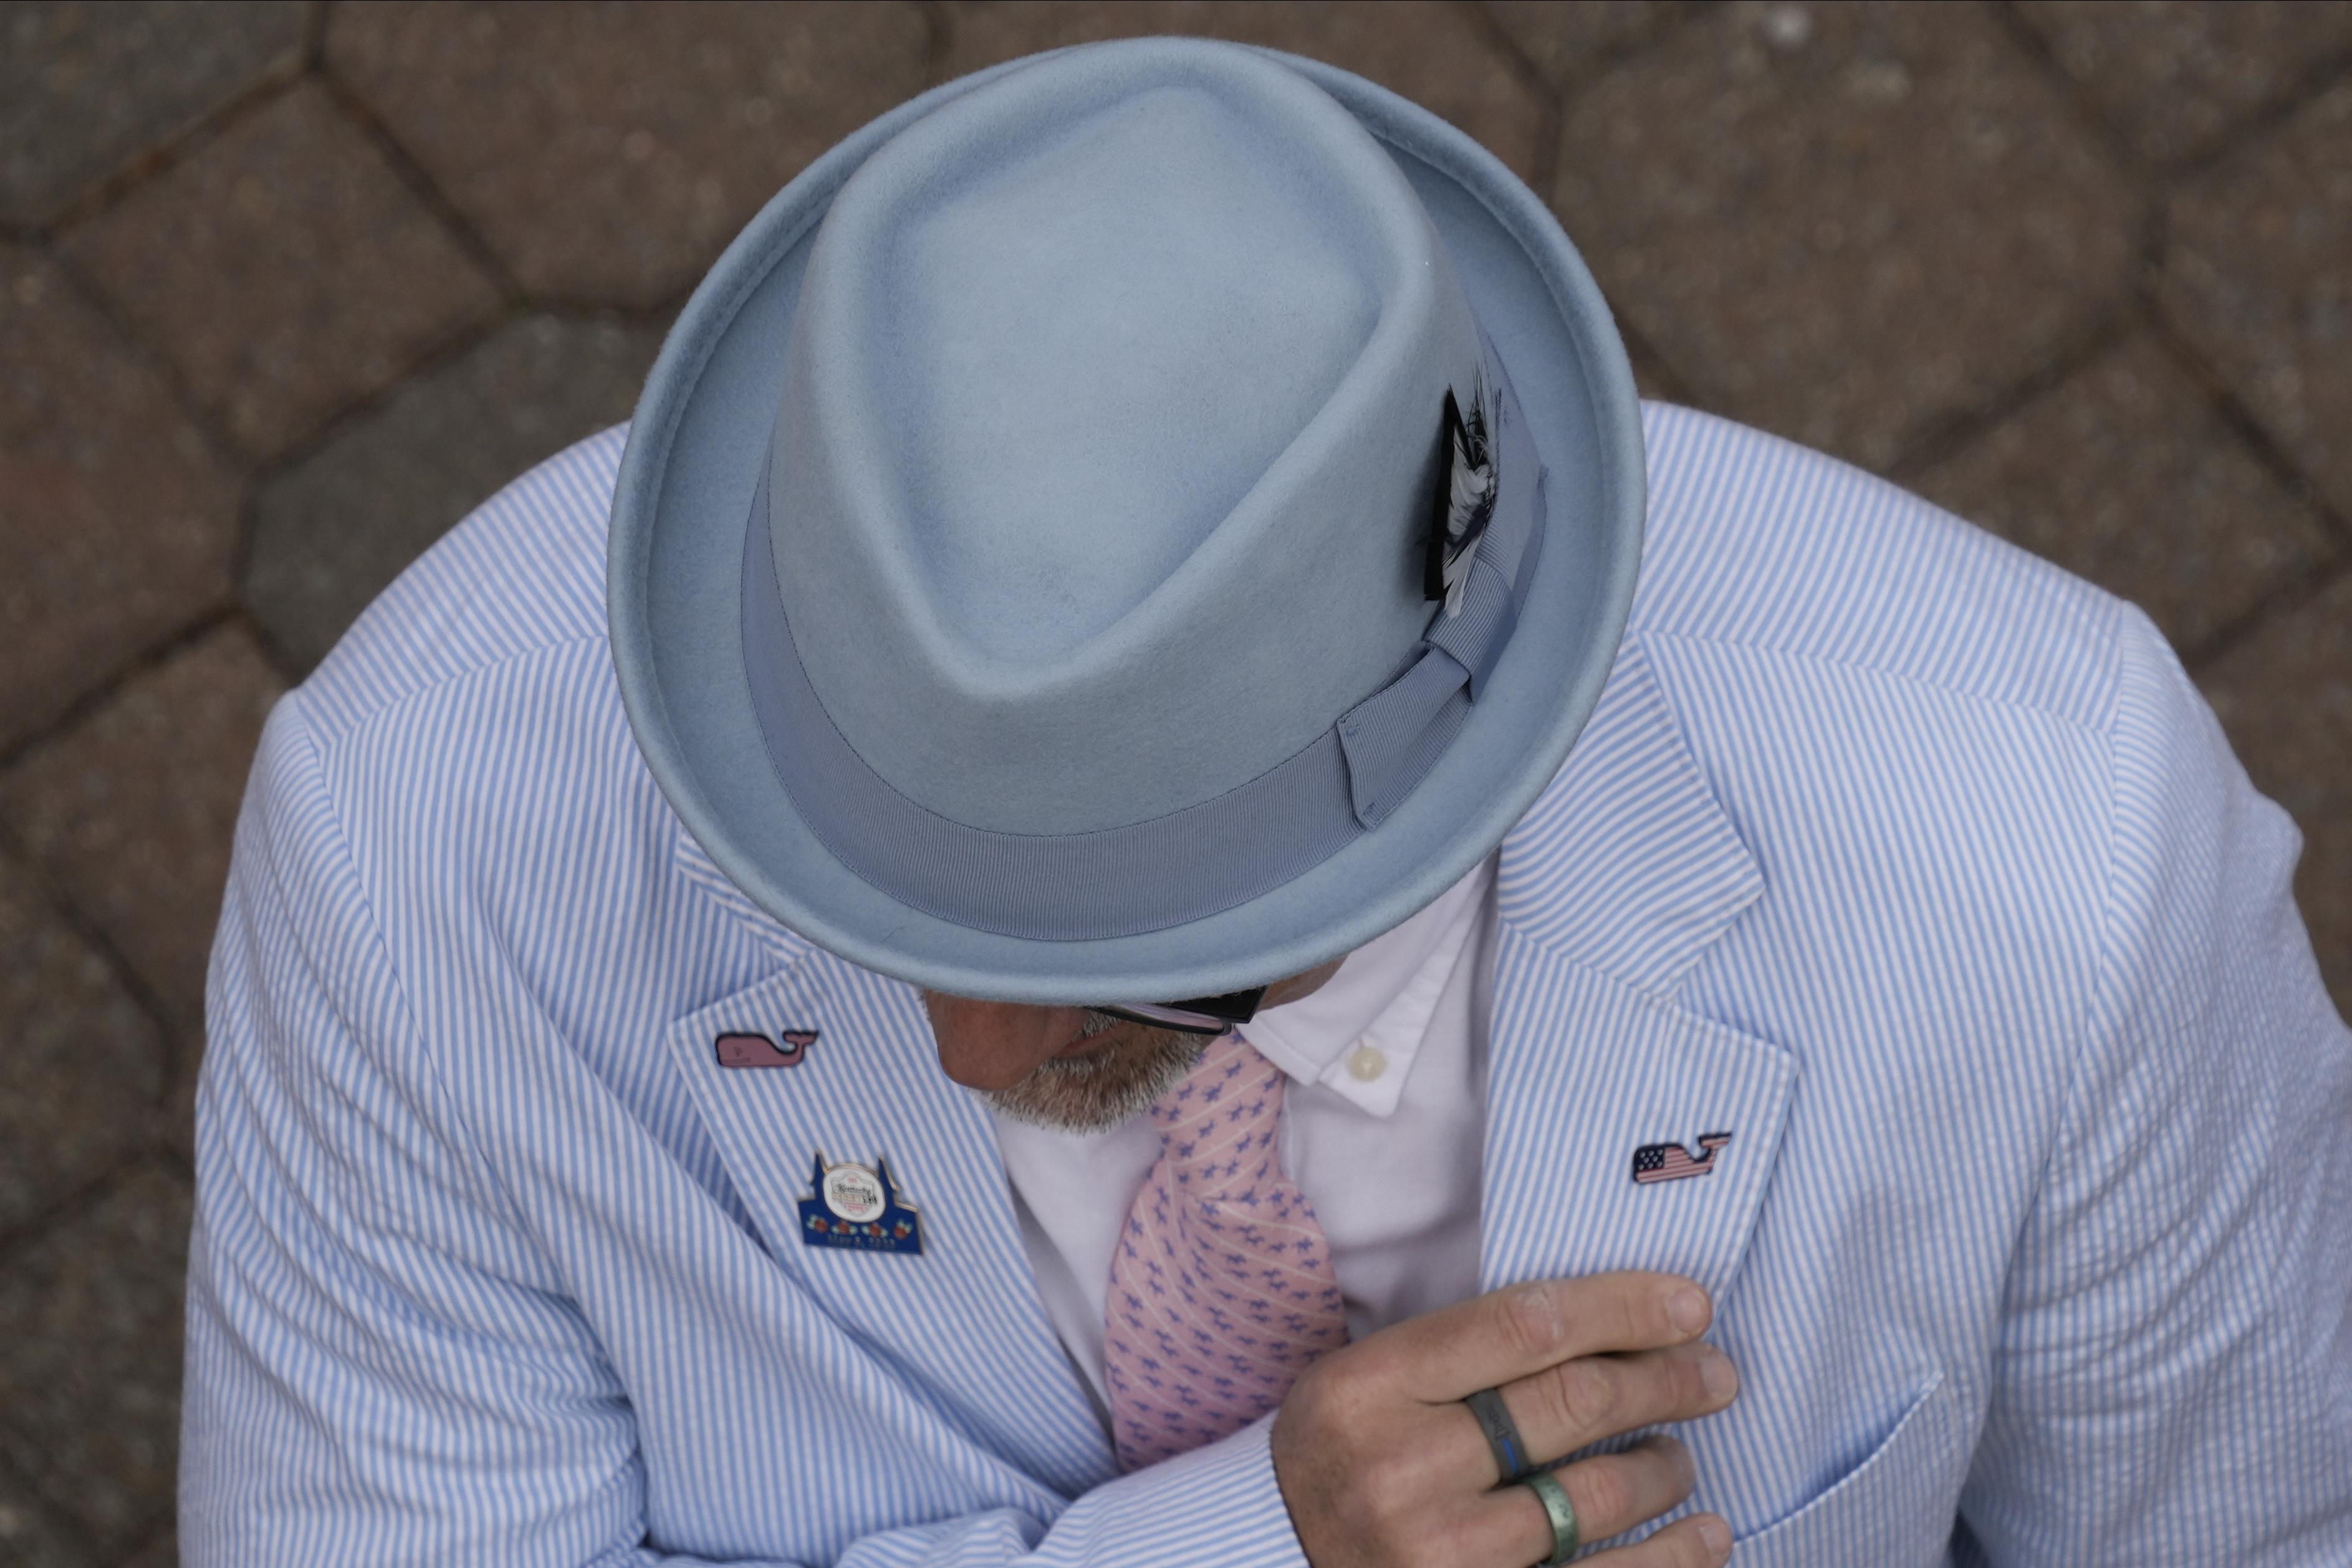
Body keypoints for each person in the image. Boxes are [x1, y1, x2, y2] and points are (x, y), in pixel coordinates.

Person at [180, 36, 2351, 1568]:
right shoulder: (411, 847)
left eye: (1144, 959)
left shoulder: (2057, 855)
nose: (960, 1046)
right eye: (844, 866)